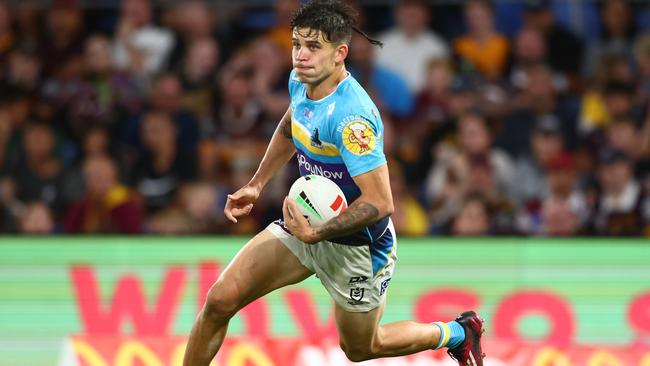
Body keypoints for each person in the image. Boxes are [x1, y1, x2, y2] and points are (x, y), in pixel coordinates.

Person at [182, 1, 485, 365]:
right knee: (218, 302)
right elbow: (290, 125)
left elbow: (380, 202)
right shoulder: (301, 80)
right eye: (297, 44)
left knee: (361, 348)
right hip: (304, 224)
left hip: (357, 246)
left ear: (340, 53)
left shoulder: (352, 118)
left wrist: (319, 233)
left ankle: (456, 332)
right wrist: (257, 184)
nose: (301, 56)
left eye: (313, 47)